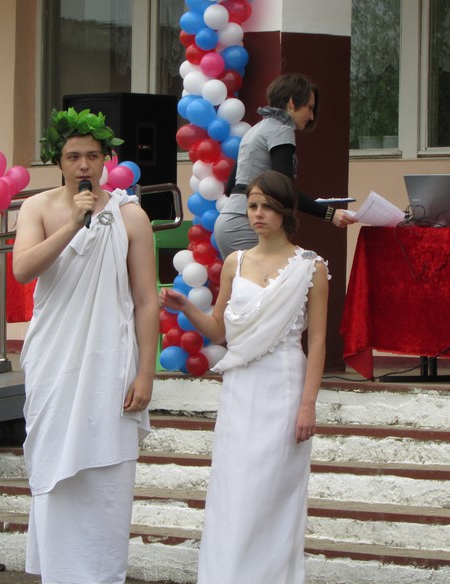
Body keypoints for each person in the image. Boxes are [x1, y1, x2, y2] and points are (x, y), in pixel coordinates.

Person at [12, 107, 159, 583]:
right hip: (55, 360)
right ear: (59, 161)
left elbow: (146, 301)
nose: (83, 165)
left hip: (109, 364)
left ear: (105, 161)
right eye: (73, 156)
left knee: (105, 482)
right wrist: (74, 224)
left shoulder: (131, 216)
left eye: (92, 156)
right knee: (56, 473)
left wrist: (146, 372)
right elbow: (23, 269)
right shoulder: (37, 208)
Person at [161, 170, 329, 584]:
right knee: (235, 488)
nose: (258, 213)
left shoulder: (311, 267)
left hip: (284, 385)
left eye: (267, 206)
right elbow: (219, 330)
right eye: (253, 205)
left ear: (286, 211)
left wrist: (308, 404)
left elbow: (318, 342)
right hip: (241, 387)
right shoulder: (235, 263)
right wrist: (187, 307)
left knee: (275, 490)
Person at [214, 72, 356, 258]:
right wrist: (330, 214)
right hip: (247, 225)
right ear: (292, 103)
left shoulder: (256, 130)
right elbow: (284, 189)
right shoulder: (281, 131)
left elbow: (231, 187)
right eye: (309, 107)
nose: (311, 116)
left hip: (228, 222)